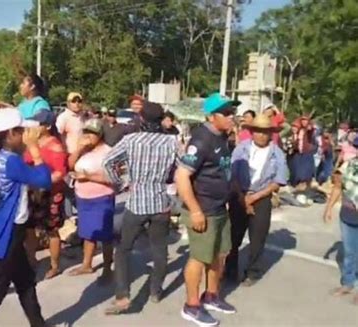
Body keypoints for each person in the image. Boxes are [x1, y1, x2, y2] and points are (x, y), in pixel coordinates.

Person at [0, 108, 52, 327]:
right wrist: (35, 150)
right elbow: (44, 179)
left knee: (25, 282)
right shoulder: (10, 161)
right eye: (22, 131)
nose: (26, 134)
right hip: (7, 233)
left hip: (5, 227)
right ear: (9, 134)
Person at [103, 101, 178, 314]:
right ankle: (155, 291)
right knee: (159, 248)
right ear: (161, 120)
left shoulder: (131, 140)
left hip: (137, 202)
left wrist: (123, 181)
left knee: (124, 249)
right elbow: (184, 167)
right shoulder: (172, 142)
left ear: (141, 119)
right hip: (161, 202)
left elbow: (108, 162)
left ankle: (123, 296)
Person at [175, 92, 239, 326]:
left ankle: (211, 295)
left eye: (233, 112)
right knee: (199, 258)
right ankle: (192, 306)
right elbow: (182, 177)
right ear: (212, 117)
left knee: (219, 254)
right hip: (203, 209)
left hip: (220, 207)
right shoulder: (201, 140)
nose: (233, 116)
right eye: (227, 113)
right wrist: (195, 211)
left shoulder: (222, 137)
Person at [225, 114, 288, 286]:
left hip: (261, 196)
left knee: (258, 237)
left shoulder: (277, 153)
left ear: (271, 133)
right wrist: (243, 198)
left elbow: (278, 181)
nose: (261, 135)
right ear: (252, 132)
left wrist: (254, 197)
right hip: (239, 194)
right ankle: (230, 268)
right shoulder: (241, 149)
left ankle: (252, 271)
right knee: (233, 235)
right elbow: (232, 175)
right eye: (258, 131)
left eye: (265, 132)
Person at [68, 119, 115, 280]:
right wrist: (79, 149)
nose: (88, 136)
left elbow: (115, 178)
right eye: (85, 132)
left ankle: (108, 268)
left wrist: (88, 177)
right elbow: (70, 165)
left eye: (92, 133)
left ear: (100, 135)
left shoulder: (109, 152)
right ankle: (86, 265)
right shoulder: (84, 150)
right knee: (88, 233)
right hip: (83, 197)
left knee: (105, 234)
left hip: (101, 197)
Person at [23, 110, 68, 279]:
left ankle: (54, 265)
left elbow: (59, 173)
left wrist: (41, 181)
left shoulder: (55, 146)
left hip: (50, 194)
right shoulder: (31, 143)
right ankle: (31, 259)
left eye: (38, 123)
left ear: (47, 126)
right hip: (31, 192)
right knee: (29, 228)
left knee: (52, 230)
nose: (33, 126)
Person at [324, 136, 358, 305]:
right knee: (349, 252)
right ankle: (348, 283)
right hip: (348, 215)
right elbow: (338, 187)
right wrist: (329, 208)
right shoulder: (348, 166)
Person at [291, 115, 316, 190]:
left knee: (306, 170)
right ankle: (298, 183)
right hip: (299, 152)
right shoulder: (299, 130)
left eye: (305, 120)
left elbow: (311, 130)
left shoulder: (308, 130)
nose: (304, 122)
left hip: (307, 152)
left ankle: (305, 184)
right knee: (298, 169)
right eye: (302, 120)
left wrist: (310, 127)